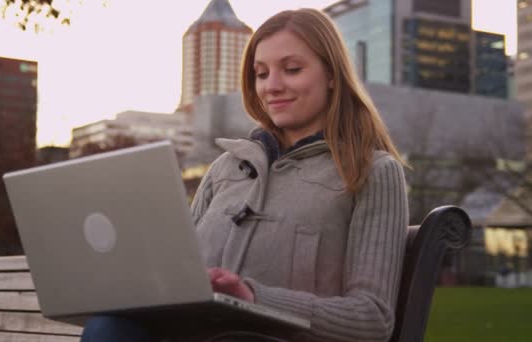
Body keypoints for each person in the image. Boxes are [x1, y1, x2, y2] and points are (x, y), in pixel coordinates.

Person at [81, 7, 408, 342]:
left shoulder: (373, 171)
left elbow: (371, 319)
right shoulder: (224, 168)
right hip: (190, 333)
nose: (272, 86)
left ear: (332, 75)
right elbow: (183, 277)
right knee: (109, 325)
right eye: (261, 74)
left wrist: (254, 298)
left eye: (292, 70)